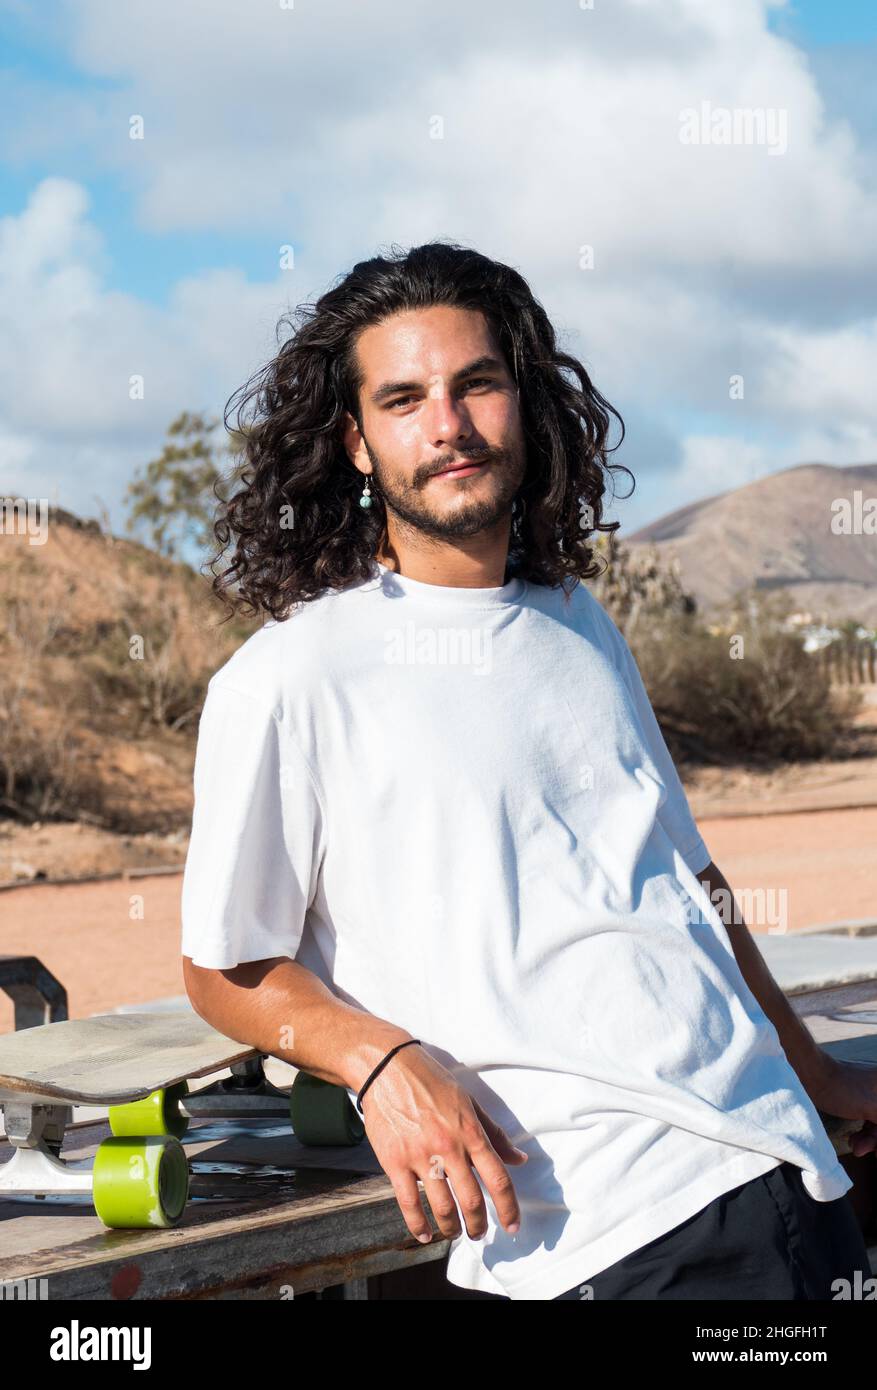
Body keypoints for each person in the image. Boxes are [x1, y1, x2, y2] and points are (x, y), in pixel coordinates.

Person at [181, 241, 874, 1301]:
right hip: (593, 1234)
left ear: (525, 404)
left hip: (777, 1172)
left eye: (477, 384)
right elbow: (223, 967)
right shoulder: (288, 676)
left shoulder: (577, 620)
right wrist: (378, 1062)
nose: (449, 426)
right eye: (404, 398)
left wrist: (813, 1070)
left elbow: (686, 878)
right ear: (355, 444)